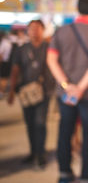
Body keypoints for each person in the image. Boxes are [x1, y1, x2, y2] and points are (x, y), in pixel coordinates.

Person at [47, 0, 88, 183]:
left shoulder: (62, 31)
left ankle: (65, 173)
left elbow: (51, 60)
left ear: (77, 8)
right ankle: (87, 176)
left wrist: (67, 86)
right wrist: (80, 88)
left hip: (66, 95)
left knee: (65, 132)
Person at [7, 20, 54, 168]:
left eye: (38, 28)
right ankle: (33, 152)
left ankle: (41, 154)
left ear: (43, 30)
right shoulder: (21, 50)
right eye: (32, 28)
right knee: (30, 123)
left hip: (44, 91)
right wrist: (11, 91)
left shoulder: (49, 48)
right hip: (26, 92)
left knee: (40, 123)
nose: (34, 31)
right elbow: (15, 70)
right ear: (27, 31)